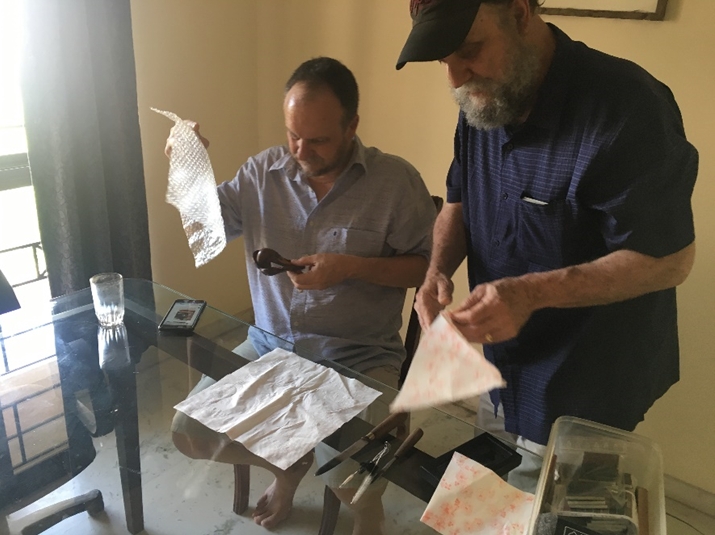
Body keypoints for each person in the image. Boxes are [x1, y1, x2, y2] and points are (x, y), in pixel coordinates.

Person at [397, 0, 698, 482]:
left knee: (560, 510)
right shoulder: (481, 95)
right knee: (497, 496)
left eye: (469, 50)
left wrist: (530, 293)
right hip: (504, 367)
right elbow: (459, 199)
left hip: (589, 381)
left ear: (519, 14)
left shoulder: (628, 107)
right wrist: (437, 271)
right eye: (442, 60)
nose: (455, 77)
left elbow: (671, 260)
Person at [168, 57, 436, 534]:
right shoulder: (261, 173)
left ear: (352, 125)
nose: (300, 150)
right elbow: (205, 229)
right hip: (270, 346)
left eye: (318, 140)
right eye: (293, 135)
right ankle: (288, 464)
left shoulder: (396, 183)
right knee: (189, 432)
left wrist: (352, 267)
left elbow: (425, 267)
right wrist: (187, 169)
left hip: (359, 356)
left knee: (352, 477)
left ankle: (367, 516)